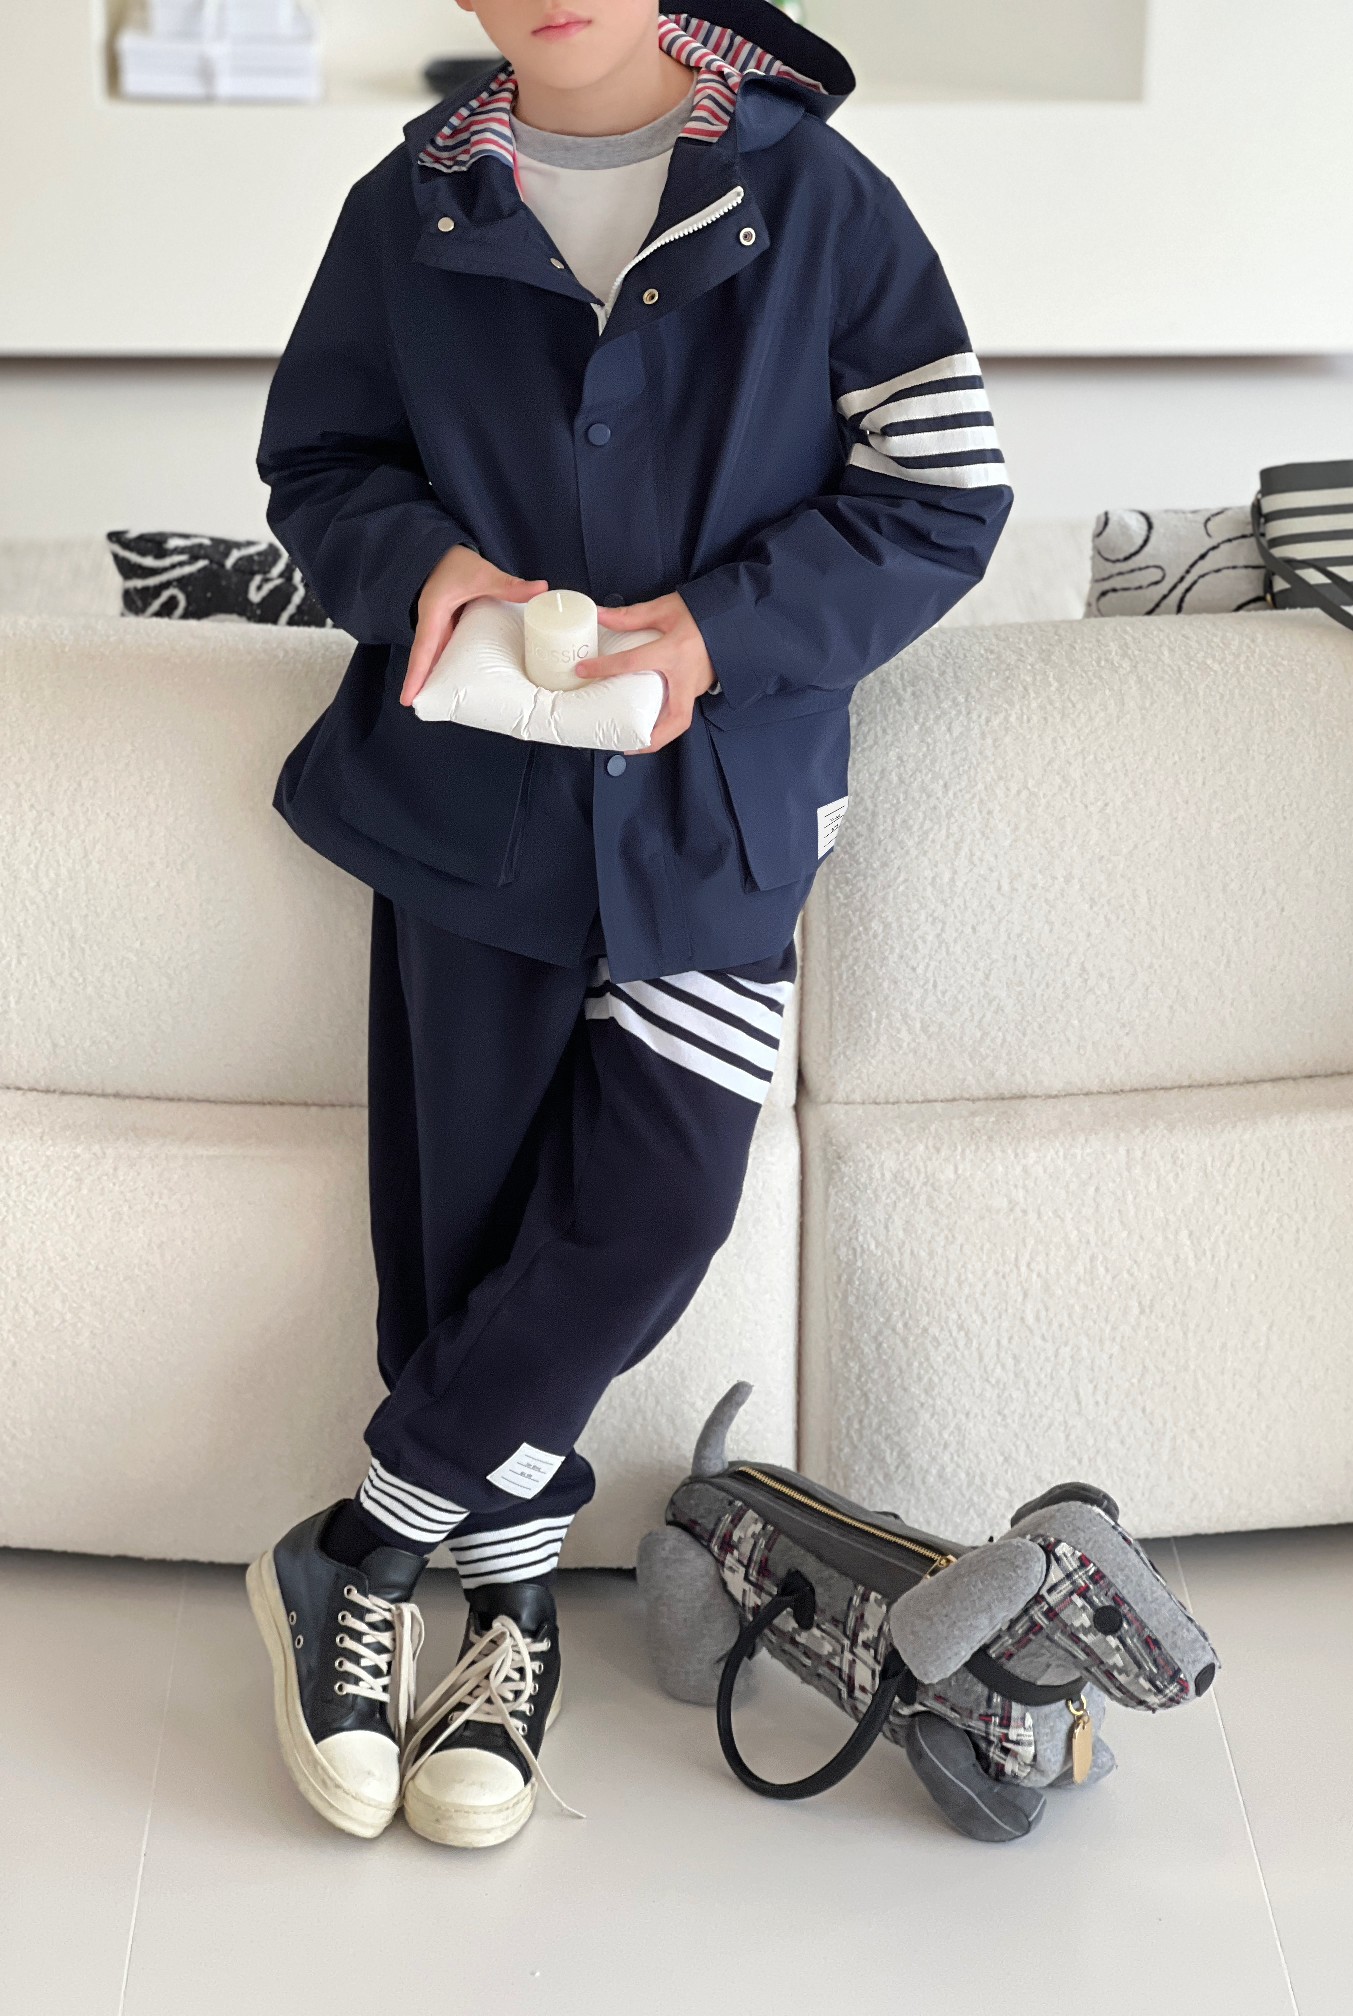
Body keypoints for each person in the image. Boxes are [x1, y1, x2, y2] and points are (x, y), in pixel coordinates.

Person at [246, 0, 1011, 1850]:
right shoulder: (404, 209)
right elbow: (320, 468)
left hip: (714, 818)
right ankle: (502, 1615)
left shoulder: (815, 196)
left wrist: (721, 631)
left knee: (656, 1203)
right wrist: (426, 567)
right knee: (464, 1237)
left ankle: (357, 1547)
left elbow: (941, 490)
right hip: (469, 814)